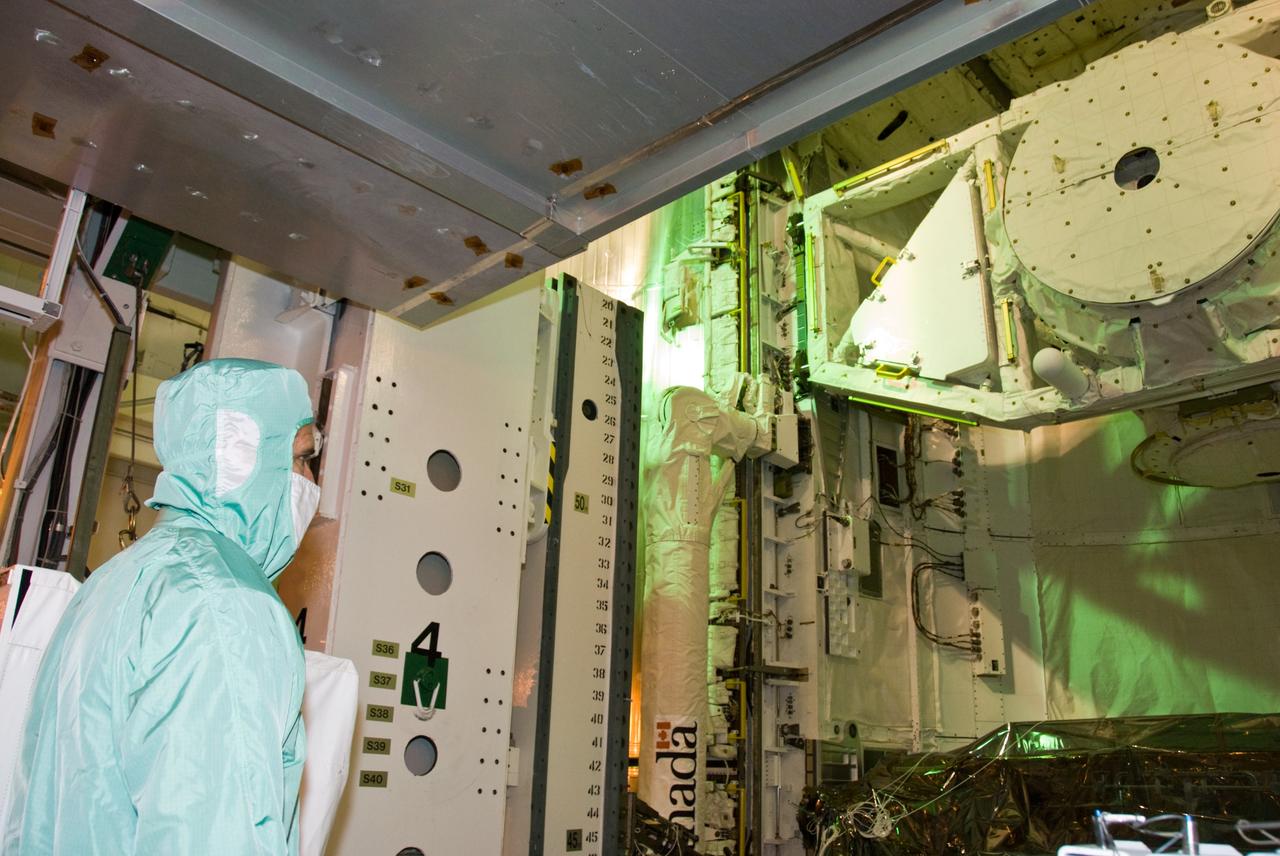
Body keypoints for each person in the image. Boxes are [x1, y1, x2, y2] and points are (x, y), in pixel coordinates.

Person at [3, 358, 322, 855]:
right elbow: (215, 834)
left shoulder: (110, 582)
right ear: (243, 457)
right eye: (301, 459)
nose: (308, 483)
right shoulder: (227, 607)